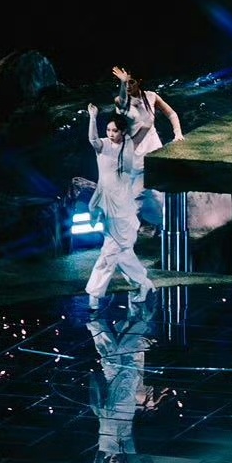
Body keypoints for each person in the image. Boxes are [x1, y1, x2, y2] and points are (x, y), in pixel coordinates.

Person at [83, 105, 153, 310]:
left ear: (122, 131)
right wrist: (93, 117)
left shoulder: (129, 144)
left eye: (114, 130)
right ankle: (142, 283)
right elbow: (92, 140)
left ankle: (96, 294)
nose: (111, 134)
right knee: (119, 252)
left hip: (122, 204)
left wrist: (140, 107)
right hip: (105, 201)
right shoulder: (103, 145)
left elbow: (146, 126)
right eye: (108, 130)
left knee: (112, 252)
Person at [88, 297, 157, 463]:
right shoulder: (129, 448)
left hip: (112, 378)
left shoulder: (104, 449)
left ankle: (97, 313)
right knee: (129, 340)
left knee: (110, 348)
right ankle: (141, 305)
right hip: (129, 379)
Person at [114, 65, 181, 225]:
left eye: (131, 82)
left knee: (156, 195)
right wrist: (122, 83)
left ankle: (163, 225)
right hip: (134, 155)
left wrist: (178, 133)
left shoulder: (151, 96)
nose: (128, 86)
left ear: (139, 81)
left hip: (153, 151)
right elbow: (122, 100)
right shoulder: (121, 101)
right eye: (125, 83)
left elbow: (171, 113)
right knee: (135, 197)